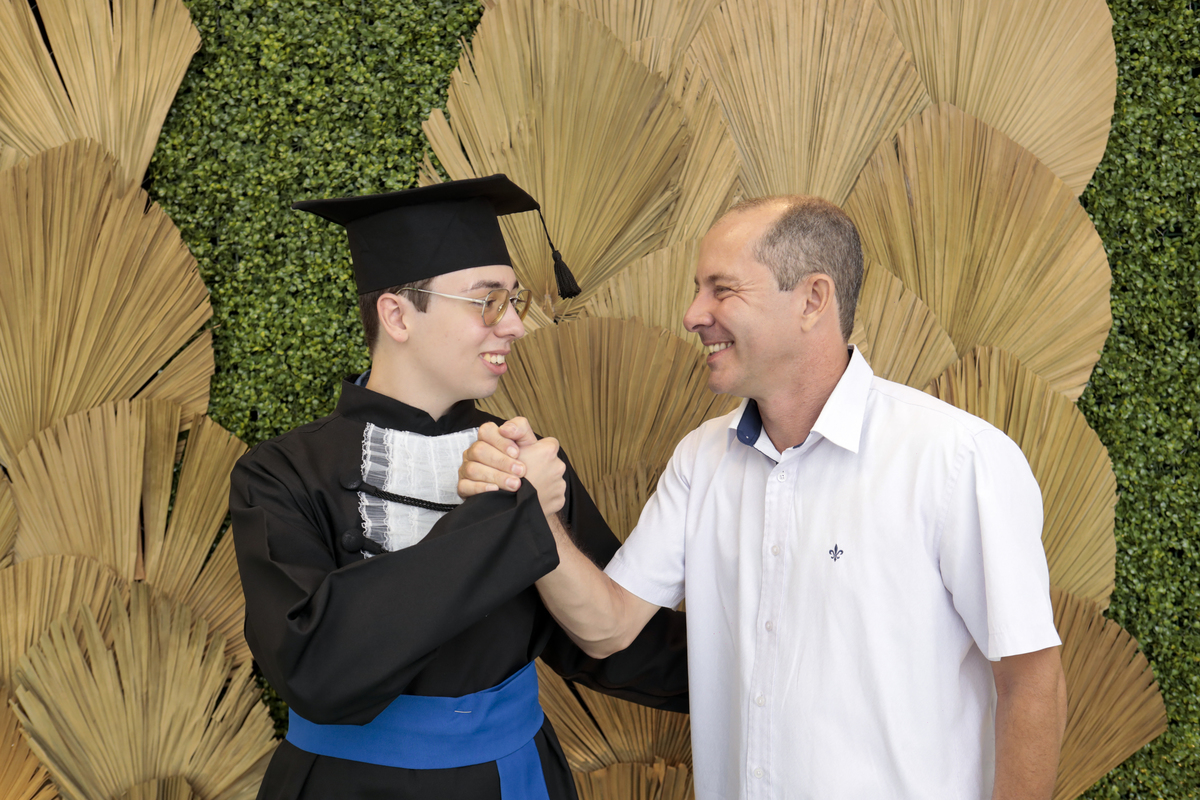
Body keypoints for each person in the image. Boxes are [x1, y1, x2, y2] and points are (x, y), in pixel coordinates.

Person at [460, 195, 1069, 799]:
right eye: (697, 290)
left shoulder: (956, 459)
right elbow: (607, 627)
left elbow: (1031, 681)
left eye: (722, 290)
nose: (692, 314)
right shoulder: (701, 459)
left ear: (812, 299)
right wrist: (535, 511)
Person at [230, 175, 688, 800]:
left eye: (514, 301)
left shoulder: (526, 458)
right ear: (397, 315)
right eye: (487, 301)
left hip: (516, 778)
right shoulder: (279, 474)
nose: (515, 326)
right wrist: (508, 514)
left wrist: (766, 670)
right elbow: (315, 668)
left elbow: (612, 640)